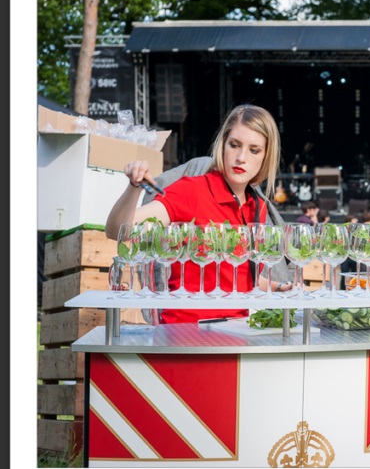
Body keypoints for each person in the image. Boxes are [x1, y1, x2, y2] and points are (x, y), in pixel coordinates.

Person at [105, 104, 294, 324]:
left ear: (266, 156)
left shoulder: (256, 206)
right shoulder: (192, 190)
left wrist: (279, 288)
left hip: (237, 333)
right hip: (184, 334)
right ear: (222, 145)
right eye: (234, 145)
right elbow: (117, 231)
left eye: (254, 150)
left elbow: (239, 277)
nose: (241, 157)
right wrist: (133, 187)